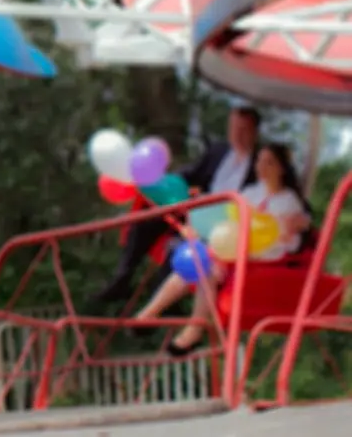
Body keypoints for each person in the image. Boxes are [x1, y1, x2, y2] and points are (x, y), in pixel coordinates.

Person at [131, 142, 313, 355]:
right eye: (259, 161)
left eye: (269, 162)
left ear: (281, 168)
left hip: (266, 253)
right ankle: (150, 314)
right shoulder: (251, 192)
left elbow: (284, 235)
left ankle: (193, 328)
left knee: (206, 263)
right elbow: (229, 216)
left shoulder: (289, 201)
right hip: (236, 244)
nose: (261, 166)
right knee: (198, 258)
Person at [95, 106, 263, 305]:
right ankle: (122, 278)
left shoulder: (261, 162)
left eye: (242, 130)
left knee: (176, 248)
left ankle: (156, 309)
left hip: (223, 223)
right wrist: (164, 184)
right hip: (196, 209)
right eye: (233, 128)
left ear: (254, 132)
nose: (236, 135)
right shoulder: (220, 150)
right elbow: (191, 173)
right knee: (147, 218)